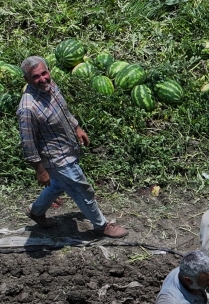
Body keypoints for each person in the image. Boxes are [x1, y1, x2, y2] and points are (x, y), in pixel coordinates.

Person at [17, 56, 127, 238]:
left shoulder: (50, 86)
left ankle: (36, 211)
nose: (42, 79)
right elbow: (27, 143)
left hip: (67, 148)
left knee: (58, 185)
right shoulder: (28, 108)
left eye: (44, 73)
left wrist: (76, 127)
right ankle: (101, 226)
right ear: (27, 79)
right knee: (81, 189)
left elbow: (63, 109)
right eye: (36, 76)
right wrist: (40, 170)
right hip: (56, 158)